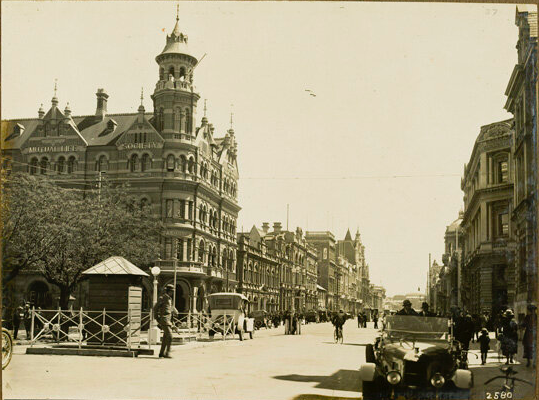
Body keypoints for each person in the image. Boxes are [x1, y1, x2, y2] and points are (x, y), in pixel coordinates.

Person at [153, 284, 178, 359]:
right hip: (164, 319)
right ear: (168, 291)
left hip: (168, 320)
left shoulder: (170, 299)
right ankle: (167, 353)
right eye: (171, 291)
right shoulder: (162, 298)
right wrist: (157, 319)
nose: (172, 293)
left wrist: (173, 319)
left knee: (165, 338)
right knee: (170, 336)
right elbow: (155, 308)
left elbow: (170, 309)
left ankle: (161, 353)